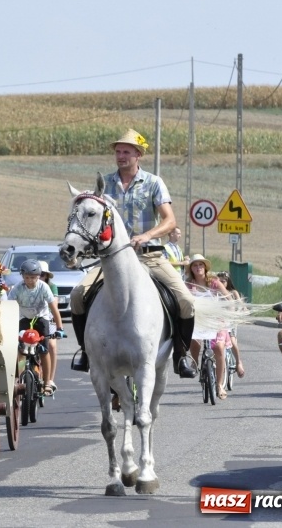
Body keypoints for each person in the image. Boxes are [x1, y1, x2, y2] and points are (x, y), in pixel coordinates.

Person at [69, 128, 197, 379]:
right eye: (118, 151)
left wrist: (147, 235)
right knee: (77, 296)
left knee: (186, 301)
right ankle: (86, 352)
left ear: (139, 154)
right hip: (111, 260)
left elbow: (170, 221)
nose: (121, 156)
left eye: (126, 152)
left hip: (149, 256)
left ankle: (181, 355)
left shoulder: (153, 182)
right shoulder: (104, 185)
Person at [8, 259, 65, 396]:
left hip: (41, 318)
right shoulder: (18, 288)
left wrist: (59, 328)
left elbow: (53, 308)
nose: (30, 280)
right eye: (27, 277)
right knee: (21, 349)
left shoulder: (43, 287)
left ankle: (47, 382)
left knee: (44, 350)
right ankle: (20, 376)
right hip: (24, 319)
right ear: (22, 276)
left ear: (38, 276)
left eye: (33, 277)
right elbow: (8, 306)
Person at [184, 255, 234, 400]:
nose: (198, 267)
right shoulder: (189, 284)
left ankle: (219, 385)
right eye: (195, 265)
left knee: (218, 347)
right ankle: (194, 363)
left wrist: (229, 310)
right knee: (194, 340)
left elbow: (228, 298)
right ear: (191, 269)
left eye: (201, 265)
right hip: (198, 319)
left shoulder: (214, 282)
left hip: (215, 319)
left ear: (205, 267)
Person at [38, 260, 64, 391]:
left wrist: (59, 327)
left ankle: (50, 380)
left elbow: (54, 307)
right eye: (36, 274)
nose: (39, 277)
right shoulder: (23, 286)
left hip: (48, 319)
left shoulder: (51, 287)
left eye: (42, 275)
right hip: (29, 318)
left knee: (52, 346)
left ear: (47, 276)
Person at [216, 271, 246, 379]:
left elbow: (240, 304)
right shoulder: (215, 293)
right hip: (218, 321)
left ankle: (238, 362)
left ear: (228, 282)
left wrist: (243, 309)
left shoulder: (233, 293)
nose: (221, 283)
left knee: (233, 342)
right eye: (219, 281)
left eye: (223, 281)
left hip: (230, 321)